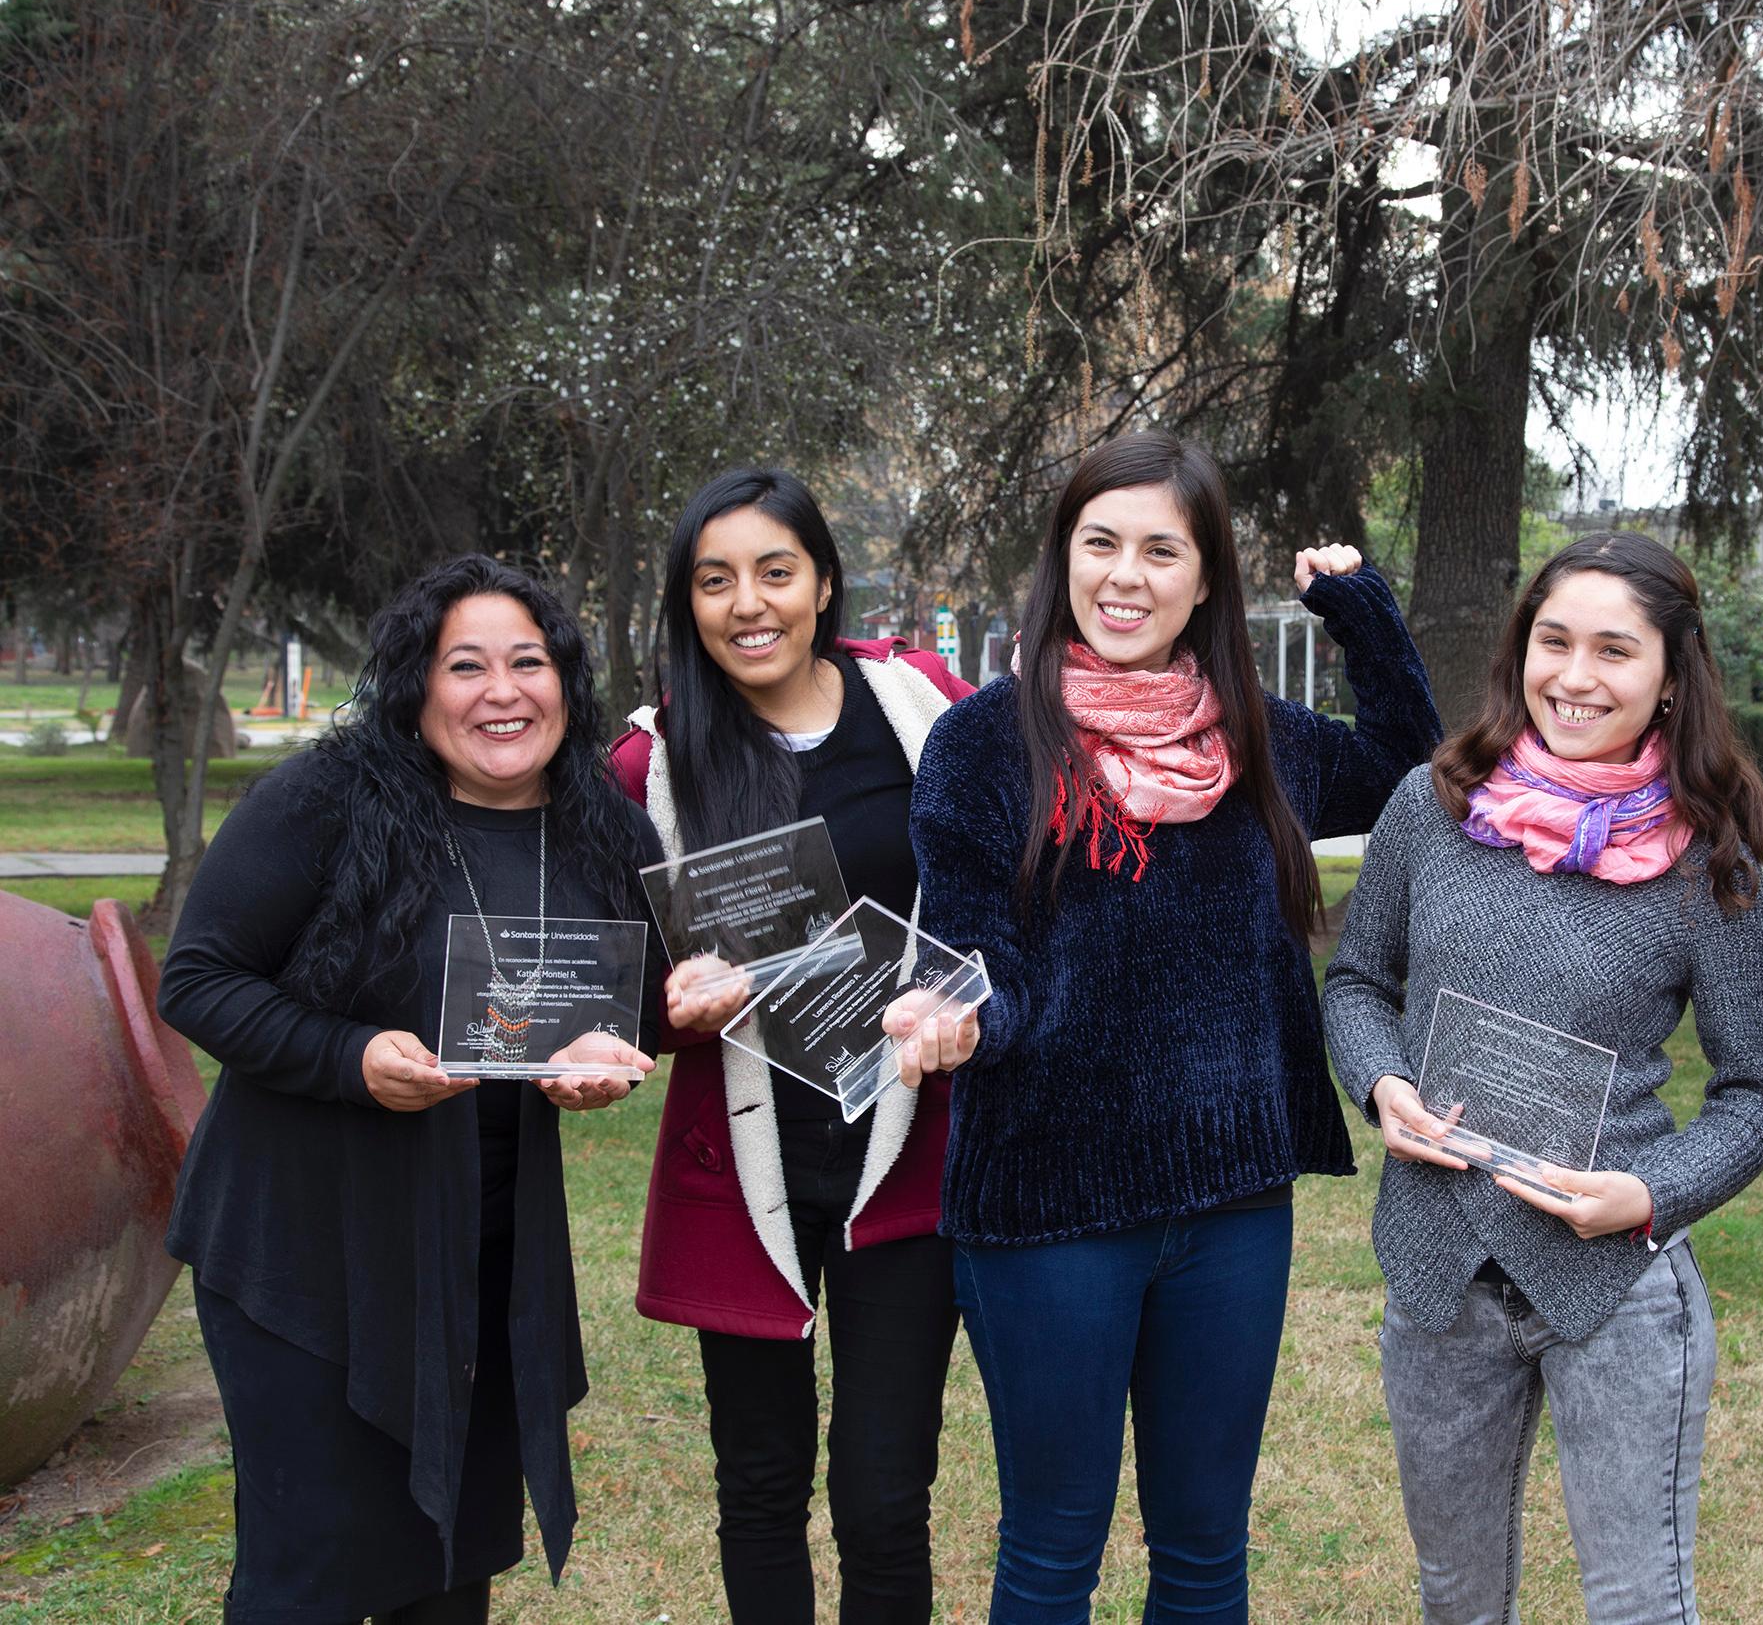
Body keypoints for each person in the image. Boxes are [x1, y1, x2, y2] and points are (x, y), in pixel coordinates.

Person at [905, 429, 1441, 1623]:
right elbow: (979, 953)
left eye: (1161, 549)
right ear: (1061, 559)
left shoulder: (1262, 738)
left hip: (1231, 1203)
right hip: (1049, 1205)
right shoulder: (986, 742)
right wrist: (962, 1020)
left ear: (1205, 580)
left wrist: (1359, 609)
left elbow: (1417, 768)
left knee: (1204, 1547)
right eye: (1099, 543)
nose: (1124, 576)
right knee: (1053, 1549)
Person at [159, 554, 660, 1625]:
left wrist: (601, 1063)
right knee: (314, 1570)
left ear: (565, 680)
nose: (500, 691)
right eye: (463, 664)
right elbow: (196, 979)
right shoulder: (326, 800)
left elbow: (627, 1001)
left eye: (527, 661)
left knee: (448, 1563)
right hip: (304, 1247)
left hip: (479, 1257)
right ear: (415, 685)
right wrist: (349, 1057)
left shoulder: (604, 828)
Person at [1322, 531, 1763, 1623]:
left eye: (1613, 651)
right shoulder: (1432, 806)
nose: (1574, 677)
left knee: (1637, 1603)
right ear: (1517, 649)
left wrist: (1652, 1195)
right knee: (1456, 1598)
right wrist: (1381, 1084)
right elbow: (1354, 982)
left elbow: (1759, 1093)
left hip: (1616, 1288)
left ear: (1670, 677)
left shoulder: (1704, 859)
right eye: (1553, 641)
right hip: (1439, 1276)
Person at [609, 468, 976, 1624]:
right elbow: (611, 993)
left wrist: (958, 999)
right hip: (744, 1168)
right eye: (713, 581)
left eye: (774, 571)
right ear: (687, 604)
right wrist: (669, 1003)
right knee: (758, 1488)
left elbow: (1010, 893)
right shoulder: (651, 763)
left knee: (881, 1495)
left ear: (823, 582)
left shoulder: (923, 708)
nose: (746, 603)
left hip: (904, 1162)